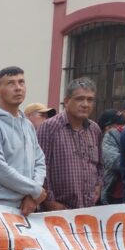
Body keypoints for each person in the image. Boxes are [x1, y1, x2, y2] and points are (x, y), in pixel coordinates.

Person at [0, 66, 47, 215]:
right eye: (11, 83)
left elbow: (39, 161)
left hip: (27, 207)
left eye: (21, 82)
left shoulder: (27, 125)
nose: (18, 88)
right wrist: (34, 190)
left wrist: (32, 195)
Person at [37, 77, 102, 210]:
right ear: (66, 101)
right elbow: (40, 167)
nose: (85, 104)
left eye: (90, 100)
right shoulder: (49, 127)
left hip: (88, 208)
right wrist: (50, 202)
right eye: (80, 99)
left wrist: (98, 186)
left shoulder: (94, 129)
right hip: (58, 210)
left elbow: (100, 165)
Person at [98, 109, 125, 205]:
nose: (122, 128)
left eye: (124, 124)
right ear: (107, 128)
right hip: (111, 198)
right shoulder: (104, 144)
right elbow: (116, 163)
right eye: (118, 125)